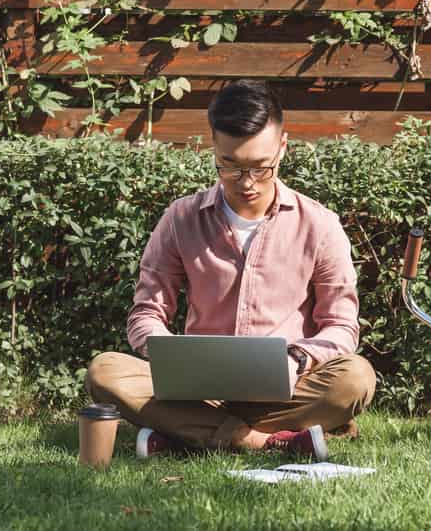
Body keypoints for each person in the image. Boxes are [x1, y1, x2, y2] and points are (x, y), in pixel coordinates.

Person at [85, 80, 376, 460]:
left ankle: (184, 433)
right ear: (214, 149)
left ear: (282, 148)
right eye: (230, 166)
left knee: (355, 378)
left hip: (285, 391)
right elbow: (146, 313)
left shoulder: (318, 224)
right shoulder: (181, 218)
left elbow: (341, 326)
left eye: (260, 167)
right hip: (196, 392)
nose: (247, 183)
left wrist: (299, 359)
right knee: (105, 371)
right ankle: (267, 440)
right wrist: (166, 353)